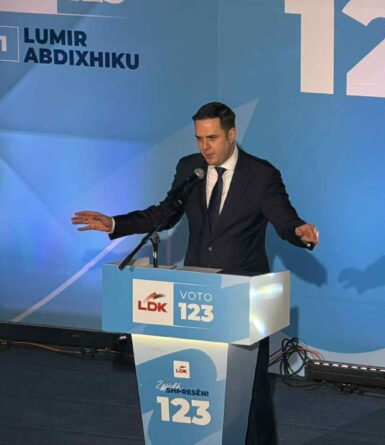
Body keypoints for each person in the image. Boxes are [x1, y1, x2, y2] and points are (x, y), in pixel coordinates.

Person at [72, 102, 319, 445]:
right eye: (199, 138)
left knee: (249, 391)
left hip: (241, 298)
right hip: (196, 294)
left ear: (231, 134)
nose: (205, 147)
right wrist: (116, 223)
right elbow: (164, 214)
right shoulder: (191, 169)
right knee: (200, 385)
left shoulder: (262, 175)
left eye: (212, 138)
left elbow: (285, 220)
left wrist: (299, 232)